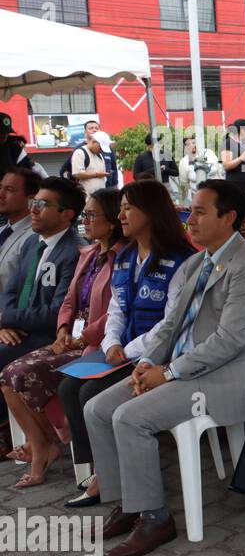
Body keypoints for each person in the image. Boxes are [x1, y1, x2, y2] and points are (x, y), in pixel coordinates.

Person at [85, 181, 245, 556]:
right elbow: (170, 326)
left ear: (230, 218)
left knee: (129, 418)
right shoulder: (198, 262)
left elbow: (228, 342)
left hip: (219, 378)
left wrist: (170, 372)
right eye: (191, 210)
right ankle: (128, 501)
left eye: (201, 211)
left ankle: (156, 518)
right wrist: (145, 364)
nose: (190, 219)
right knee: (97, 408)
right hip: (180, 368)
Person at [62, 181, 195, 502]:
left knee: (92, 392)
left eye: (127, 208)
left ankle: (111, 480)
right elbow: (117, 308)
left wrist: (127, 351)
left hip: (156, 356)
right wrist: (110, 344)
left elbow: (172, 324)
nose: (121, 215)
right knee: (68, 385)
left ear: (150, 213)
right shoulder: (125, 257)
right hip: (122, 352)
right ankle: (100, 470)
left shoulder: (180, 260)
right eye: (120, 208)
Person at [2, 188, 120, 489]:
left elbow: (118, 310)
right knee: (8, 376)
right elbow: (67, 302)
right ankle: (42, 444)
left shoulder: (117, 255)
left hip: (99, 343)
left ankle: (49, 442)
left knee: (19, 370)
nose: (86, 220)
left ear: (113, 221)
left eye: (91, 215)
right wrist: (64, 330)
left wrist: (80, 338)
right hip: (67, 337)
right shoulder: (87, 253)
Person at [0, 176, 85, 467]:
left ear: (67, 214)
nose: (33, 209)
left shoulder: (75, 251)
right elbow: (10, 291)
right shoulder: (30, 245)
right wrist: (4, 322)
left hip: (51, 337)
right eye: (34, 202)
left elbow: (55, 312)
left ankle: (42, 441)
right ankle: (36, 440)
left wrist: (8, 319)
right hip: (20, 331)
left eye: (43, 204)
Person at [0, 166, 39, 293]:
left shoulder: (35, 237)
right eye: (0, 187)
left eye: (9, 190)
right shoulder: (3, 231)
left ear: (31, 199)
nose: (1, 194)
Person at [176, 136, 223, 208]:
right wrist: (186, 202)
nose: (191, 145)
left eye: (193, 142)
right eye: (187, 144)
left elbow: (219, 169)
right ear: (185, 147)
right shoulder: (184, 162)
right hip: (198, 198)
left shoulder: (209, 153)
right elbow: (184, 183)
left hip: (216, 194)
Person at [68, 127, 110, 194]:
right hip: (86, 197)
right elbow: (77, 174)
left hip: (100, 196)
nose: (101, 150)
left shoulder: (100, 155)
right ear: (93, 142)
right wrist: (97, 174)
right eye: (100, 147)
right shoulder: (80, 152)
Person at [220, 119, 245, 192]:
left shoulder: (243, 144)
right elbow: (226, 165)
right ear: (243, 129)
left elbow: (243, 165)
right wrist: (241, 158)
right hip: (235, 186)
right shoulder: (228, 143)